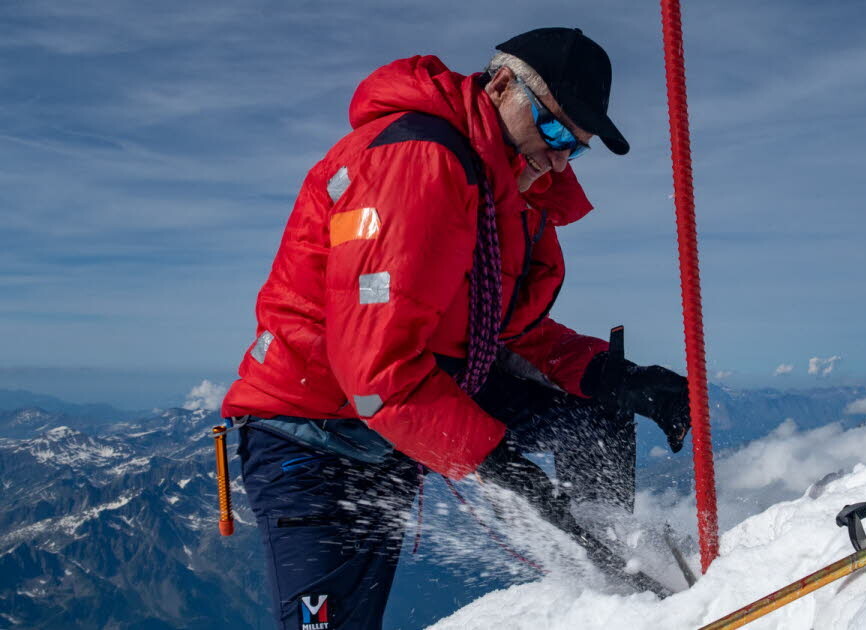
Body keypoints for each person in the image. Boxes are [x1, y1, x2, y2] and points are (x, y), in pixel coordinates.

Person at [220, 27, 692, 630]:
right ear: (501, 86)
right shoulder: (416, 163)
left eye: (575, 149)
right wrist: (498, 465)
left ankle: (614, 567)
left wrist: (610, 374)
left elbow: (506, 328)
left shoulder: (508, 190)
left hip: (405, 409)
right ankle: (603, 564)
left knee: (593, 411)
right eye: (553, 131)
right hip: (315, 434)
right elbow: (375, 370)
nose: (558, 159)